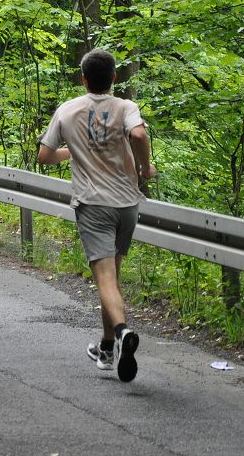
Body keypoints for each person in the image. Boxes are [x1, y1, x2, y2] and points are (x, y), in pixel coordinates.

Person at [37, 48, 157, 382]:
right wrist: (146, 169)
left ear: (84, 78)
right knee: (113, 280)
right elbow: (139, 134)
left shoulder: (67, 109)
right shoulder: (125, 106)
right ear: (115, 78)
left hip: (94, 205)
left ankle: (120, 332)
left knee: (105, 279)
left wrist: (72, 151)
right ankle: (106, 347)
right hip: (127, 204)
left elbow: (44, 156)